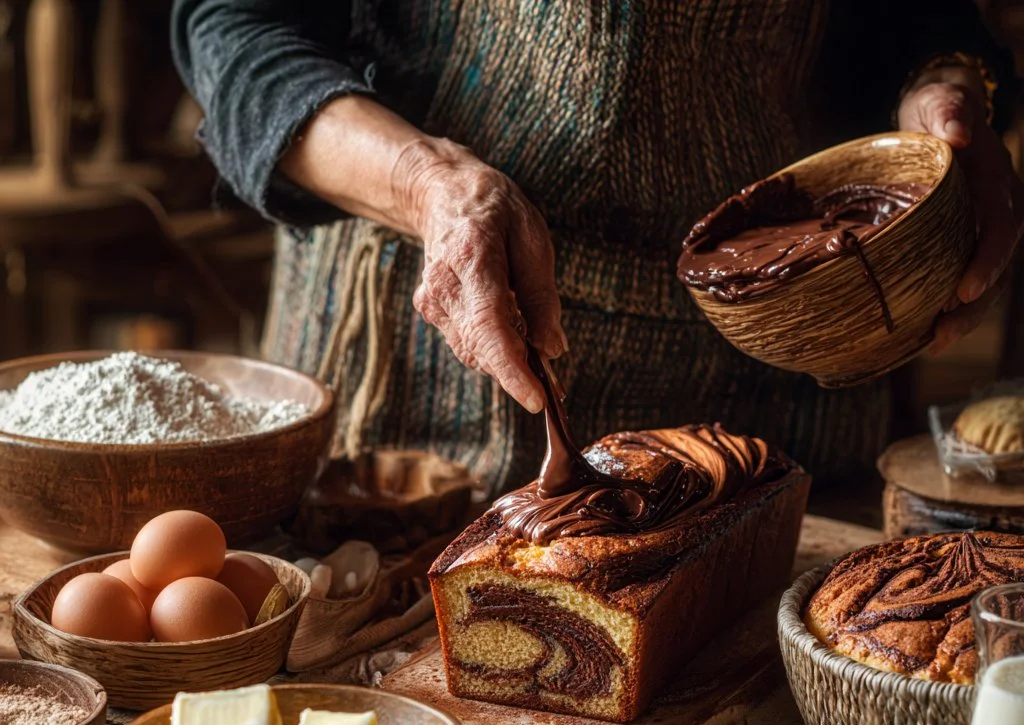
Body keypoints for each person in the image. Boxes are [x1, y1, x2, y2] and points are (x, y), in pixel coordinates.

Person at [172, 1, 1021, 496]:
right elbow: (235, 26)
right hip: (415, 344)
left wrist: (946, 86)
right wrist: (427, 183)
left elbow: (924, 16)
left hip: (778, 347)